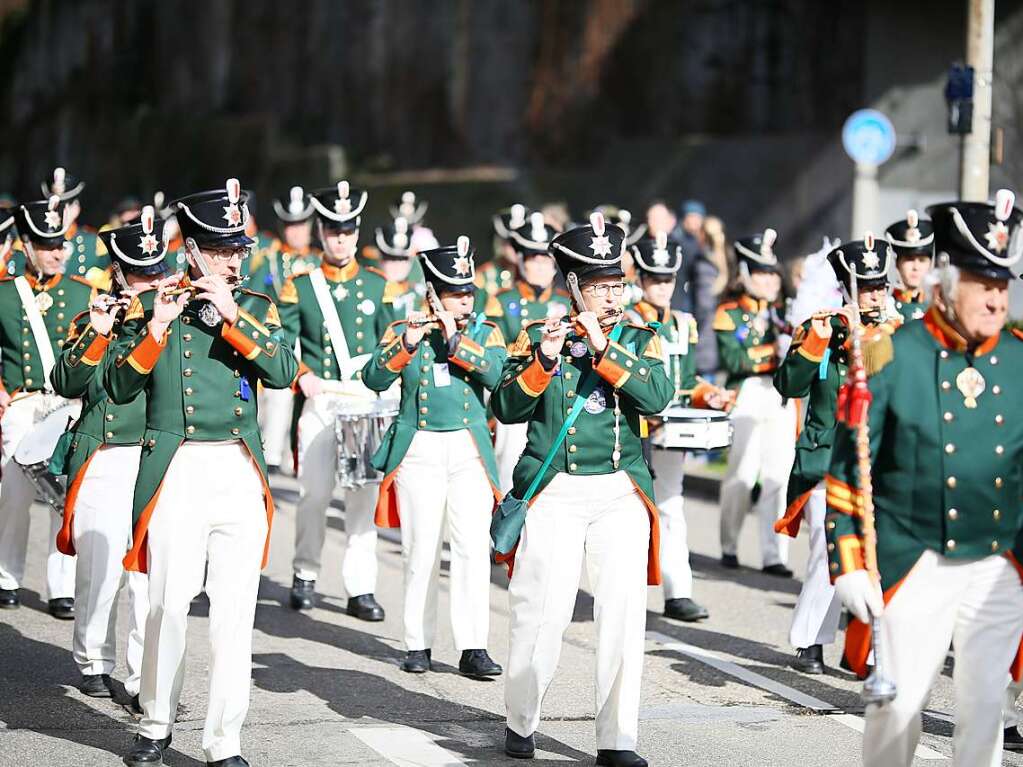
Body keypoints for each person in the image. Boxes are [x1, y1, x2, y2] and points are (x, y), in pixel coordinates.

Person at [825, 189, 1023, 767]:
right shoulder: (891, 353)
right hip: (915, 560)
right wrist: (851, 561)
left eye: (1003, 286)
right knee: (898, 707)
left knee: (986, 710)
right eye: (983, 285)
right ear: (946, 284)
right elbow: (848, 467)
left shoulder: (1018, 359)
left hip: (997, 563)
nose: (996, 300)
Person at [111, 179, 298, 767]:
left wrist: (234, 315)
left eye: (237, 248)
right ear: (190, 249)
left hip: (239, 467)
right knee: (168, 603)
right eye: (219, 249)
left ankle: (224, 741)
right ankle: (156, 722)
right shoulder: (152, 306)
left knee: (235, 611)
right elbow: (117, 386)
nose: (231, 259)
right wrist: (158, 326)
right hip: (178, 466)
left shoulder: (257, 308)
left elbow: (284, 370)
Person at [494, 212, 672, 767]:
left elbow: (657, 396)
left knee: (622, 615)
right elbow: (506, 405)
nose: (613, 298)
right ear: (573, 286)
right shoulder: (534, 334)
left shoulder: (641, 337)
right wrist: (545, 360)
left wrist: (605, 350)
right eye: (600, 288)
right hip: (556, 492)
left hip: (620, 491)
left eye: (617, 285)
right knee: (541, 611)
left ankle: (617, 739)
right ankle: (521, 720)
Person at [363, 236, 506, 677]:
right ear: (432, 294)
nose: (463, 301)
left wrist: (457, 339)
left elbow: (498, 374)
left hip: (467, 447)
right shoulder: (403, 328)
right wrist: (406, 343)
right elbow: (372, 378)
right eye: (454, 294)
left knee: (468, 549)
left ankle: (473, 646)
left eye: (467, 293)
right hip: (420, 447)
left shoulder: (485, 329)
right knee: (420, 548)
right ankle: (417, 643)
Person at [51, 206, 170, 708]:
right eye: (139, 274)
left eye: (156, 272)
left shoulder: (173, 320)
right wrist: (99, 331)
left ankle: (147, 679)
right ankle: (93, 661)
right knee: (101, 571)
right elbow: (68, 382)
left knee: (150, 576)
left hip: (156, 453)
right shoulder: (95, 318)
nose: (149, 282)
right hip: (105, 452)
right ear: (119, 274)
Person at [773, 234, 901, 675]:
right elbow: (788, 386)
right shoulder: (819, 328)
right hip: (827, 457)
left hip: (884, 460)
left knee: (885, 556)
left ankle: (868, 649)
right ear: (846, 289)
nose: (873, 294)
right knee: (828, 549)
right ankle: (810, 642)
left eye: (879, 285)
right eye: (864, 286)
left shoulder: (901, 333)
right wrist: (815, 346)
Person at [278, 181, 393, 618]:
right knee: (314, 493)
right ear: (321, 233)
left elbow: (391, 342)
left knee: (363, 496)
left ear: (357, 233)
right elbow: (283, 343)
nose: (339, 239)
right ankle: (305, 572)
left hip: (363, 398)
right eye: (332, 231)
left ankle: (361, 587)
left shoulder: (379, 286)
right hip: (322, 397)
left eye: (347, 231)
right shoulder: (301, 286)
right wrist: (303, 376)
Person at [627, 232, 730, 623]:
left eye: (667, 279)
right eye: (654, 279)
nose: (661, 287)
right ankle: (628, 589)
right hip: (634, 428)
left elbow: (686, 380)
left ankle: (678, 591)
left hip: (670, 429)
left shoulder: (684, 324)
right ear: (640, 280)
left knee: (671, 506)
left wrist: (709, 396)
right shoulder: (628, 321)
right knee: (631, 510)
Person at [0, 195, 95, 617]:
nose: (57, 252)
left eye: (60, 243)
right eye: (45, 244)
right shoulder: (4, 294)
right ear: (25, 245)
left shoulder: (83, 294)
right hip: (21, 401)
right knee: (12, 492)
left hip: (66, 403)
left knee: (63, 494)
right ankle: (7, 576)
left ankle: (62, 587)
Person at [715, 229, 795, 576]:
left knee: (779, 474)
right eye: (760, 272)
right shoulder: (729, 312)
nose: (767, 280)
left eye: (770, 272)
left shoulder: (786, 312)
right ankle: (729, 544)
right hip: (746, 392)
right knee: (742, 474)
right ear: (745, 273)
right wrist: (771, 353)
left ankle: (774, 553)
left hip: (779, 392)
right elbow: (734, 360)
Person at [486, 212, 570, 492]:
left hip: (555, 398)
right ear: (521, 260)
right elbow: (495, 355)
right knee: (509, 474)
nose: (541, 266)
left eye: (546, 259)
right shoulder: (501, 301)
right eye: (534, 258)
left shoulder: (566, 302)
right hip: (518, 394)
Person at [255, 186, 318, 472]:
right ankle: (270, 457)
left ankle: (302, 455)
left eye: (301, 224)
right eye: (291, 225)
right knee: (278, 394)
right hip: (280, 336)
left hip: (313, 338)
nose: (296, 231)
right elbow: (255, 297)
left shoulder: (318, 261)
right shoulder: (270, 259)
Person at [673, 200, 720, 376]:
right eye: (691, 217)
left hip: (697, 301)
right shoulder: (678, 240)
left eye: (697, 218)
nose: (694, 221)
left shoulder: (700, 243)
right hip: (683, 300)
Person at [40, 166, 107, 285]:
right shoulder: (30, 241)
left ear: (76, 208)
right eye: (52, 206)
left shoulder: (95, 242)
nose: (56, 212)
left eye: (63, 207)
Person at [885, 209, 934, 322]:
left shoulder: (938, 308)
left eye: (922, 260)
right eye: (909, 259)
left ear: (930, 264)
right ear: (897, 264)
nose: (916, 267)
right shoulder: (887, 309)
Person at [375, 216, 427, 320]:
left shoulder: (422, 295)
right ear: (380, 260)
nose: (398, 265)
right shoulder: (373, 292)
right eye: (391, 259)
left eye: (403, 259)